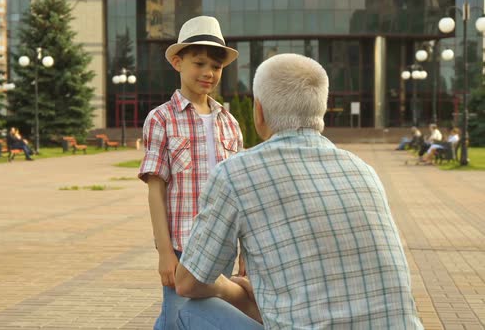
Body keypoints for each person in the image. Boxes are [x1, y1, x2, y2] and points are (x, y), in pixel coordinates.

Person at [174, 53, 423, 329]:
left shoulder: (235, 174)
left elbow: (188, 282)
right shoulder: (363, 170)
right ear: (321, 110)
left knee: (190, 311)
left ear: (259, 111)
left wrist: (229, 288)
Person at [137, 16, 244, 330]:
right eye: (199, 63)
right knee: (179, 317)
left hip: (224, 244)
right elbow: (155, 190)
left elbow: (240, 193)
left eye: (216, 66)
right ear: (177, 62)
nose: (208, 73)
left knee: (200, 320)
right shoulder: (162, 119)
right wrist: (165, 252)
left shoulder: (230, 122)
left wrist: (246, 253)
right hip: (185, 246)